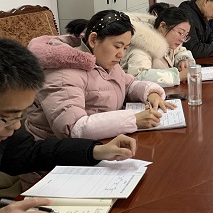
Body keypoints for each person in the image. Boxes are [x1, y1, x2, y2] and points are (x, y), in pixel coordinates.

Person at [0, 38, 137, 213]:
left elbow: (31, 152)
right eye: (8, 116)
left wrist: (96, 150)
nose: (16, 125)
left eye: (21, 115)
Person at [25, 10, 171, 141]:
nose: (121, 54)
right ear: (93, 40)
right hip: (55, 151)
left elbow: (127, 84)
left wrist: (150, 93)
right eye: (117, 46)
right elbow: (73, 128)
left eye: (125, 48)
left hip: (101, 141)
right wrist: (133, 120)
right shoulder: (64, 71)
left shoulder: (104, 60)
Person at [121, 6, 195, 87]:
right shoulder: (142, 46)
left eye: (185, 35)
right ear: (162, 26)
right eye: (180, 33)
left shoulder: (169, 41)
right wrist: (178, 76)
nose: (182, 39)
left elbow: (180, 50)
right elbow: (138, 77)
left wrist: (182, 60)